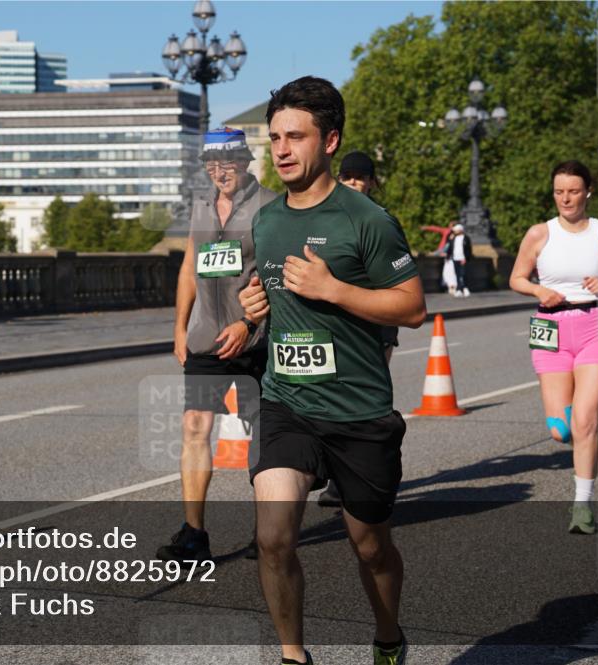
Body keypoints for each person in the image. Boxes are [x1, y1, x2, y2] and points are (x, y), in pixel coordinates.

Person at [240, 76, 426, 665]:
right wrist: (254, 310)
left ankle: (389, 636)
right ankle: (294, 655)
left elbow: (413, 307)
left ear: (330, 139)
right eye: (274, 138)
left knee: (369, 546)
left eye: (296, 136)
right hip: (286, 401)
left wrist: (336, 289)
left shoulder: (366, 219)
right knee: (272, 537)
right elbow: (270, 292)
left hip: (358, 411)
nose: (283, 149)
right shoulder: (267, 222)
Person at [159, 127, 276, 563]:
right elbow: (190, 265)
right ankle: (194, 533)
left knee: (262, 438)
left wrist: (248, 323)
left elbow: (273, 276)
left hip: (256, 342)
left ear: (245, 162)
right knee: (194, 427)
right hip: (207, 338)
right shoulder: (201, 205)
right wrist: (179, 326)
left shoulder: (269, 207)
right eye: (211, 164)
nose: (219, 171)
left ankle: (267, 531)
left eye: (227, 162)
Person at [509, 160, 598, 535]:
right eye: (560, 191)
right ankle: (592, 442)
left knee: (584, 419)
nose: (566, 198)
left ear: (588, 191)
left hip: (597, 325)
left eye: (574, 191)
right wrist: (538, 289)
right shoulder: (538, 234)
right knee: (562, 429)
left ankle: (582, 505)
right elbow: (516, 277)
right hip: (550, 328)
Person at [317, 150, 398, 508]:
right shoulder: (326, 219)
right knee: (333, 395)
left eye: (359, 178)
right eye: (347, 177)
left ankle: (368, 470)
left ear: (371, 181)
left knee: (366, 397)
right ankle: (336, 475)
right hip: (338, 321)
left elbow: (399, 278)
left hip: (377, 322)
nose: (353, 183)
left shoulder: (381, 220)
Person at [446, 224, 472, 297]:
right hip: (455, 258)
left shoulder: (466, 238)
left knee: (463, 274)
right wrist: (448, 256)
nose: (454, 232)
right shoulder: (453, 238)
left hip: (462, 258)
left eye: (456, 230)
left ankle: (465, 288)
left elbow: (468, 249)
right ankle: (459, 289)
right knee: (457, 274)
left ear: (460, 230)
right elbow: (450, 247)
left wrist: (466, 258)